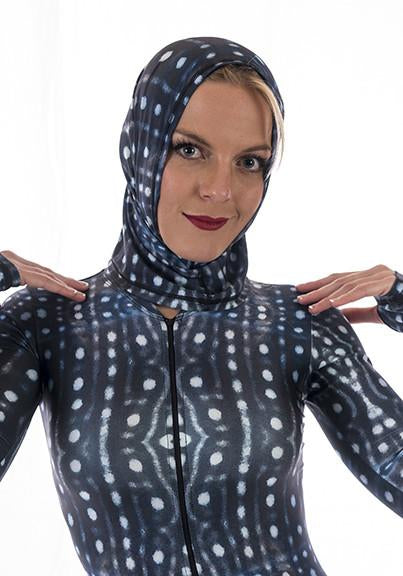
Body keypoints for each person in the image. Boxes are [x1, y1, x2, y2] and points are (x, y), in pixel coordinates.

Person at [0, 35, 402, 576]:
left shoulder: (298, 323)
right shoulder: (46, 322)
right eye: (189, 149)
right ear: (139, 148)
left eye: (250, 161)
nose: (220, 189)